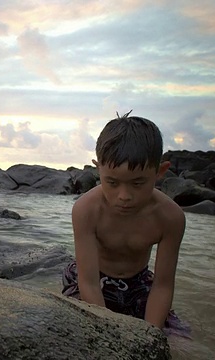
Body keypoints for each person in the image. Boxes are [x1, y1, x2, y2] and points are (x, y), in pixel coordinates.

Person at [62, 112, 189, 335]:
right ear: (98, 169)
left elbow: (162, 285)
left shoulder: (170, 217)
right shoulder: (86, 210)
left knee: (178, 339)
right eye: (112, 182)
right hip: (90, 279)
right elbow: (89, 282)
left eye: (138, 183)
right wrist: (107, 334)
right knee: (78, 332)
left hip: (138, 283)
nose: (124, 195)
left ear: (160, 172)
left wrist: (151, 335)